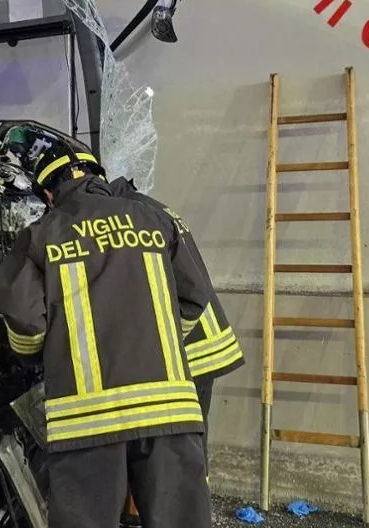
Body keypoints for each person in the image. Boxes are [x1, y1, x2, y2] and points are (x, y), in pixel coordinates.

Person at [0, 142, 215, 528]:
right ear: (99, 177)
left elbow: (26, 323)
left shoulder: (39, 236)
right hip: (170, 408)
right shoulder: (153, 218)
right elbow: (195, 297)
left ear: (49, 195)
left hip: (87, 419)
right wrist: (155, 345)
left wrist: (37, 356)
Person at [108, 177, 244, 509]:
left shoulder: (128, 218)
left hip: (188, 347)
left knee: (179, 451)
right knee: (191, 444)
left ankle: (186, 511)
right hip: (207, 340)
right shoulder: (152, 208)